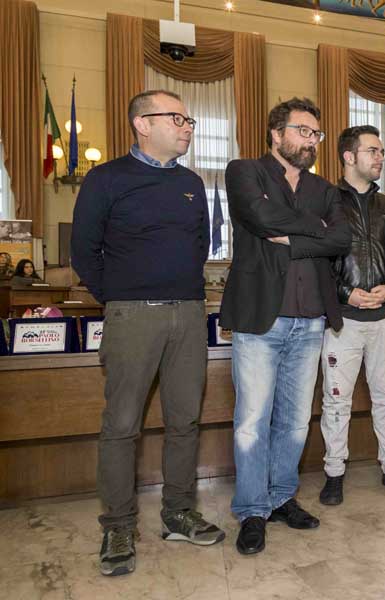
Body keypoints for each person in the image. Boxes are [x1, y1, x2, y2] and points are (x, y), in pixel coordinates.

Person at [71, 90, 224, 577]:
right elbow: (83, 252)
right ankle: (117, 525)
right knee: (121, 426)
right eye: (177, 118)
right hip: (132, 317)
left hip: (189, 315)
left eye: (189, 119)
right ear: (142, 123)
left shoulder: (191, 183)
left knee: (185, 422)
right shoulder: (106, 179)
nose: (188, 126)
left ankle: (178, 513)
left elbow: (200, 245)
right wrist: (120, 296)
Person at [221, 97, 351, 556]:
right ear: (276, 134)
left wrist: (292, 240)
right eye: (302, 131)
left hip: (311, 320)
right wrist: (315, 229)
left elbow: (342, 238)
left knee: (295, 422)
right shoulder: (245, 172)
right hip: (261, 318)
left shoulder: (325, 189)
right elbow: (259, 218)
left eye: (316, 134)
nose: (311, 140)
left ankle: (280, 498)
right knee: (252, 422)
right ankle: (252, 510)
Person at [317, 125, 385, 506]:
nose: (380, 158)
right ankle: (334, 473)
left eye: (382, 152)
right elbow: (319, 260)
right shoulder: (326, 203)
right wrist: (347, 293)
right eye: (372, 151)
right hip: (342, 320)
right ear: (349, 156)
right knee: (336, 399)